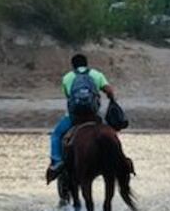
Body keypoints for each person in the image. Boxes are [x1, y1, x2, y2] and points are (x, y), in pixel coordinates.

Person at [46, 53, 117, 183]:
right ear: (86, 63)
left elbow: (68, 96)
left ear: (73, 65)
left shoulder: (67, 77)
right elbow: (109, 91)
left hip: (75, 117)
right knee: (112, 134)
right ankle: (120, 160)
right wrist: (111, 99)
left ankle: (57, 162)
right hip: (95, 117)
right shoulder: (97, 74)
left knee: (56, 135)